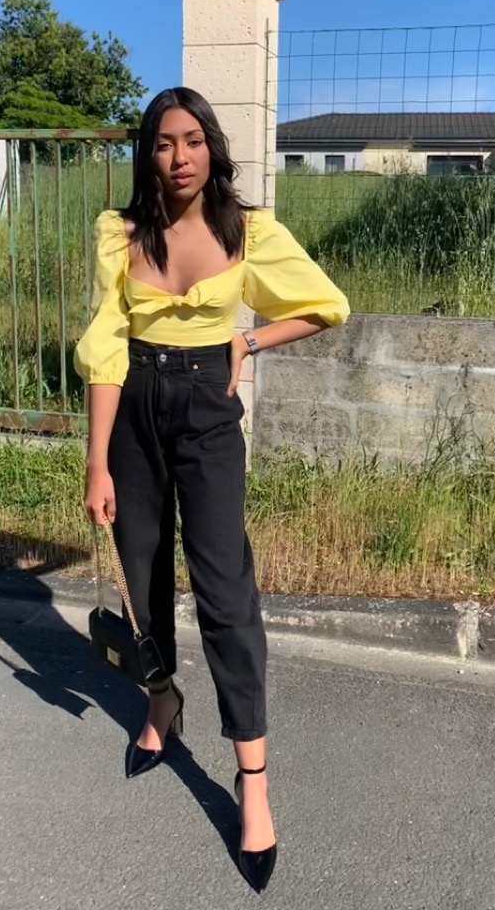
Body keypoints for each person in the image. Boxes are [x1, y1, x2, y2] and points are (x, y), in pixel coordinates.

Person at [74, 86, 349, 893]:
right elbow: (106, 347)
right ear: (148, 154)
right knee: (141, 572)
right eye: (164, 143)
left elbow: (326, 305)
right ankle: (162, 701)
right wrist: (97, 461)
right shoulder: (121, 234)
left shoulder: (246, 231)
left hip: (206, 411)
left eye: (193, 140)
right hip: (133, 410)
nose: (180, 156)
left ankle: (252, 780)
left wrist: (248, 342)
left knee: (226, 590)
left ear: (212, 148)